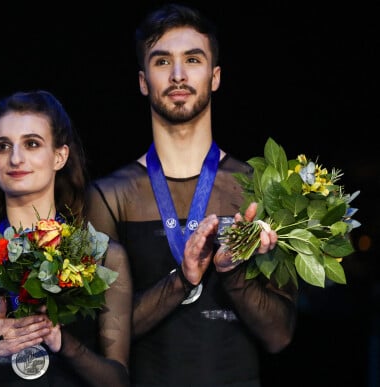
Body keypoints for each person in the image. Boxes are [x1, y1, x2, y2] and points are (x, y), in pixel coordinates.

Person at [85, 4, 298, 387]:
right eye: (162, 61)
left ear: (215, 76)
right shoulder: (111, 195)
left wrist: (232, 273)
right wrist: (182, 280)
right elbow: (104, 337)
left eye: (193, 60)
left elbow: (280, 336)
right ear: (142, 80)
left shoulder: (258, 186)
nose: (179, 75)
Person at [0, 90, 132, 387]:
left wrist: (63, 342)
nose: (15, 158)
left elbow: (118, 381)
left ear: (60, 156)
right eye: (2, 146)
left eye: (32, 144)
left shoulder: (101, 257)